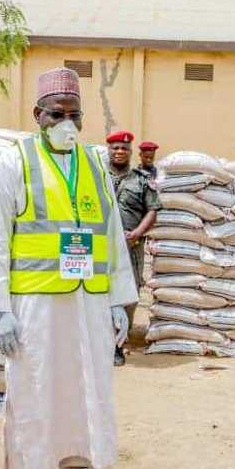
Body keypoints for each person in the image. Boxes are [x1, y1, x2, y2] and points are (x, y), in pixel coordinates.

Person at [0, 67, 137, 469]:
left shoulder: (93, 163)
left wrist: (117, 303)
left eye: (75, 115)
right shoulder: (16, 161)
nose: (67, 122)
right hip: (35, 304)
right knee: (31, 390)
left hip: (86, 300)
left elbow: (110, 235)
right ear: (37, 114)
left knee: (85, 386)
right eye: (57, 114)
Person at [105, 129, 161, 365]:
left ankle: (118, 344)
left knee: (128, 294)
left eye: (124, 149)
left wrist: (137, 232)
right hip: (100, 247)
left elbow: (153, 210)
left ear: (130, 152)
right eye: (115, 148)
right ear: (108, 149)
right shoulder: (96, 176)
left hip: (131, 247)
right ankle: (99, 342)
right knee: (97, 292)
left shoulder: (141, 180)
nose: (119, 152)